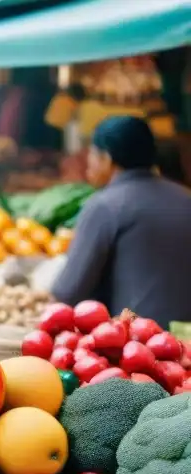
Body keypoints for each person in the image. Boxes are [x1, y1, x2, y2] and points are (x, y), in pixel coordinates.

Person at [53, 116, 191, 329]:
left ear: (106, 158)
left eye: (92, 153)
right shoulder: (186, 198)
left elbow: (68, 292)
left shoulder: (106, 205)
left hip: (140, 346)